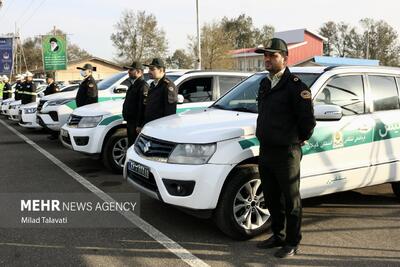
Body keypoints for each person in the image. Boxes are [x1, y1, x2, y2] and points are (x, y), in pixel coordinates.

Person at [254, 38, 316, 258]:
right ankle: (278, 236)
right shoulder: (264, 83)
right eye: (265, 55)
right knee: (271, 197)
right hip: (266, 150)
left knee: (291, 200)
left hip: (287, 152)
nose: (267, 59)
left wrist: (298, 139)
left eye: (273, 55)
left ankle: (292, 242)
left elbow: (307, 120)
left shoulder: (296, 85)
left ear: (285, 58)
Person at [137, 58, 177, 133]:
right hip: (149, 126)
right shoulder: (153, 85)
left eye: (152, 69)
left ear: (161, 70)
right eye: (149, 69)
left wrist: (166, 130)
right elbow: (147, 107)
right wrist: (141, 124)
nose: (149, 71)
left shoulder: (168, 86)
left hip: (160, 128)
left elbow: (170, 112)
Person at [122, 61, 149, 147]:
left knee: (134, 146)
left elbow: (142, 107)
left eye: (131, 70)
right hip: (130, 121)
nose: (128, 72)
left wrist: (139, 124)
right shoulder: (133, 84)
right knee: (130, 144)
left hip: (135, 123)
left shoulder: (143, 86)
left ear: (138, 72)